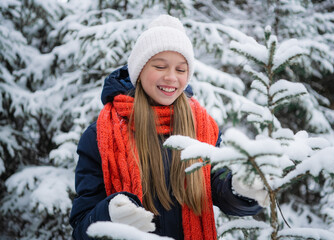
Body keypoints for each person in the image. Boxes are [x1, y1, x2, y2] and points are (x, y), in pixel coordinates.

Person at [69, 14, 269, 240]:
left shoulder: (203, 128)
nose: (171, 77)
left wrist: (241, 190)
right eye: (160, 66)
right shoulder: (100, 136)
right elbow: (81, 228)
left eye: (181, 70)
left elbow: (220, 188)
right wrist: (109, 216)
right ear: (139, 70)